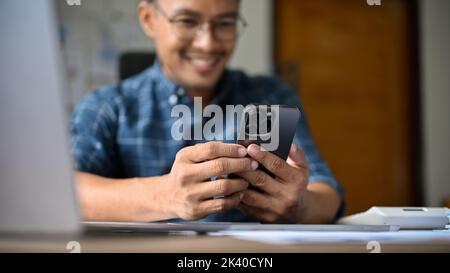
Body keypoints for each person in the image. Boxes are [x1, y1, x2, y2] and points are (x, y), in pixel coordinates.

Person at [71, 0, 345, 224]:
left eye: (225, 23)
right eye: (188, 21)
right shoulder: (108, 107)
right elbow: (66, 191)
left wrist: (298, 206)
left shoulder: (270, 96)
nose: (208, 44)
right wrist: (164, 196)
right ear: (148, 19)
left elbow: (327, 193)